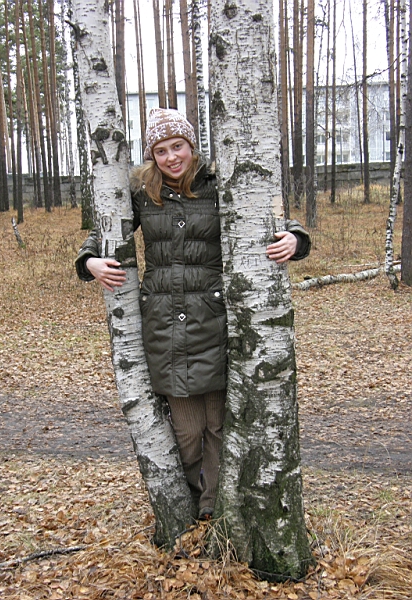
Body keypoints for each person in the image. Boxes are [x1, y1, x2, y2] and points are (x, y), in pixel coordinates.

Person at [76, 108, 311, 521]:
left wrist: (295, 238)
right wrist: (89, 260)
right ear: (152, 156)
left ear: (192, 146)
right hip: (165, 325)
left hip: (216, 321)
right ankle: (187, 499)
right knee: (186, 431)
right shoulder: (143, 194)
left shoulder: (220, 184)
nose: (171, 157)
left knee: (219, 426)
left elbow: (271, 218)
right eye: (161, 150)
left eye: (178, 146)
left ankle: (212, 509)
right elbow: (105, 230)